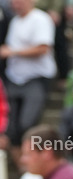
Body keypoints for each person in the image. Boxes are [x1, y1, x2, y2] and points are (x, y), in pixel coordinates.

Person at [2, 0, 58, 149]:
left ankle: (34, 155)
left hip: (36, 78)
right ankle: (22, 160)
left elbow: (43, 48)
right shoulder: (15, 21)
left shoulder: (40, 19)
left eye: (20, 1)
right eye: (14, 1)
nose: (16, 4)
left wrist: (13, 52)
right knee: (11, 129)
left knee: (27, 124)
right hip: (14, 78)